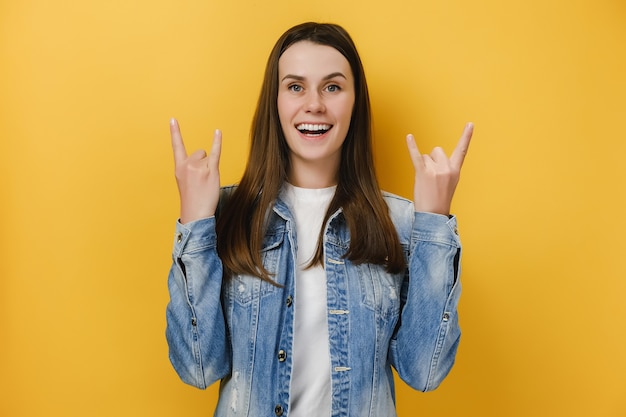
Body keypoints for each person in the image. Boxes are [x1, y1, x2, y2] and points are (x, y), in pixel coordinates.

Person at [166, 22, 473, 417]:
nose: (314, 104)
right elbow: (198, 367)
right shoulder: (228, 214)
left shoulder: (399, 224)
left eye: (332, 86)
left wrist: (433, 223)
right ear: (274, 101)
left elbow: (423, 373)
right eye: (295, 86)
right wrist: (196, 223)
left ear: (354, 102)